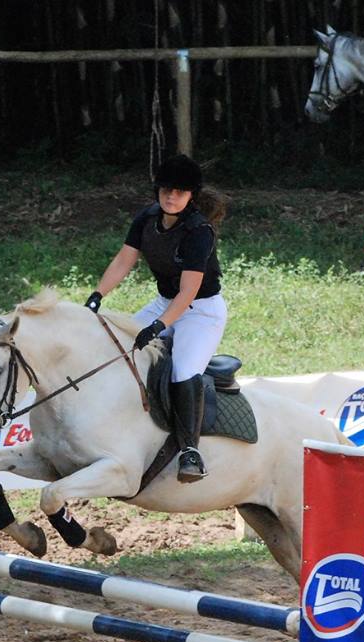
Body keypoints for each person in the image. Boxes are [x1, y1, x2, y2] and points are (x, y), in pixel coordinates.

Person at [84, 155, 227, 484]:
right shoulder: (147, 218)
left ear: (191, 195)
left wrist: (160, 325)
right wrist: (97, 296)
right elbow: (123, 261)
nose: (171, 197)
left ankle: (190, 451)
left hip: (201, 311)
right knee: (122, 351)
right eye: (166, 190)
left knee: (183, 370)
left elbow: (188, 292)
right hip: (165, 301)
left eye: (179, 191)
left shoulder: (199, 231)